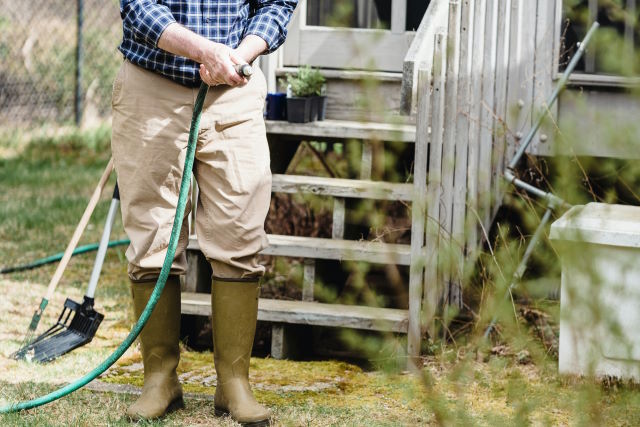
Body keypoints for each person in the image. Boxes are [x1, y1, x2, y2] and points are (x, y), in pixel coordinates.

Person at [112, 1, 297, 425]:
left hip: (233, 87)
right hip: (151, 89)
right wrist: (202, 51)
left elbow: (277, 5)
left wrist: (237, 55)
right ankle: (159, 379)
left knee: (239, 234)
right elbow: (138, 7)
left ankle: (234, 384)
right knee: (152, 238)